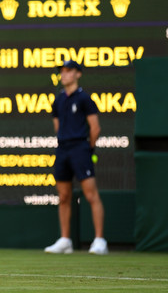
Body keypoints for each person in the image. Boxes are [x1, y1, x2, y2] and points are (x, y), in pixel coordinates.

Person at [45, 60, 108, 255]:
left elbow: (95, 128)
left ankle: (99, 240)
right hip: (63, 149)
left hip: (81, 148)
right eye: (62, 71)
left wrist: (86, 149)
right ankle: (65, 240)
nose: (64, 74)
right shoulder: (58, 100)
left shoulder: (85, 99)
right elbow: (58, 127)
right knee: (63, 196)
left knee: (91, 194)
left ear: (78, 74)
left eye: (69, 71)